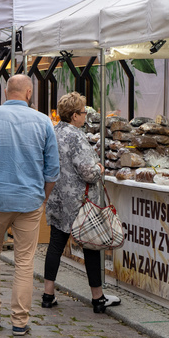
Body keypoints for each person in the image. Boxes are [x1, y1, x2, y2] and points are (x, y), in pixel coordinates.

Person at [0, 74, 60, 337]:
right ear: (29, 93)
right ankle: (20, 320)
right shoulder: (44, 121)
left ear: (6, 92)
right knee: (24, 261)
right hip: (29, 201)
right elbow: (53, 170)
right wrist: (42, 198)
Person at [43, 92, 120, 313]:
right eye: (84, 112)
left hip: (57, 197)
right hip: (79, 203)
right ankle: (98, 298)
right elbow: (88, 172)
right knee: (91, 246)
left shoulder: (53, 131)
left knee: (55, 246)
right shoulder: (76, 136)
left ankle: (48, 294)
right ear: (75, 115)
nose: (85, 115)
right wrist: (100, 169)